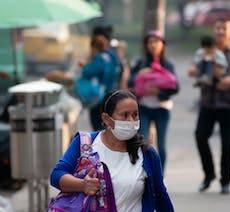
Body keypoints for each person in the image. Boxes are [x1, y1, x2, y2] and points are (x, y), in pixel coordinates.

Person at [50, 90, 174, 212]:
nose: (131, 121)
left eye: (135, 115)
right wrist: (83, 185)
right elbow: (56, 175)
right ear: (106, 118)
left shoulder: (147, 154)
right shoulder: (85, 143)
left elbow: (160, 195)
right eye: (124, 115)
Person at [191, 19, 230, 194]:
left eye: (224, 28)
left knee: (227, 145)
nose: (220, 31)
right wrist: (197, 71)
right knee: (200, 137)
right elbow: (193, 67)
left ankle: (226, 181)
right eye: (217, 28)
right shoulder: (204, 51)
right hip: (207, 104)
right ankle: (208, 175)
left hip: (229, 105)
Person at [128, 30, 179, 170]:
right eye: (150, 42)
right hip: (144, 108)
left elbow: (175, 87)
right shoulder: (140, 63)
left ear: (163, 44)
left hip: (162, 109)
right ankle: (145, 172)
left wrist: (159, 92)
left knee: (161, 145)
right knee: (143, 142)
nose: (153, 45)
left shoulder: (168, 65)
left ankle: (159, 176)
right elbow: (130, 82)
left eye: (156, 41)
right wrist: (140, 74)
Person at [82, 27, 121, 131]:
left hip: (98, 97)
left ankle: (100, 147)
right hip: (111, 95)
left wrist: (86, 65)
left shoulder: (99, 58)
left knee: (98, 128)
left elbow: (87, 73)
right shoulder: (112, 56)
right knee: (107, 126)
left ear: (94, 47)